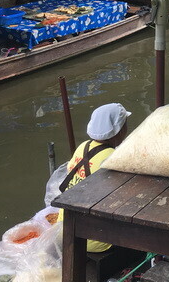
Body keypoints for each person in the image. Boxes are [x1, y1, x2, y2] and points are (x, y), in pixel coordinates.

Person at [58, 103, 131, 252]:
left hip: (63, 228)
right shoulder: (113, 158)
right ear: (119, 130)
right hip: (93, 239)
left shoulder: (83, 146)